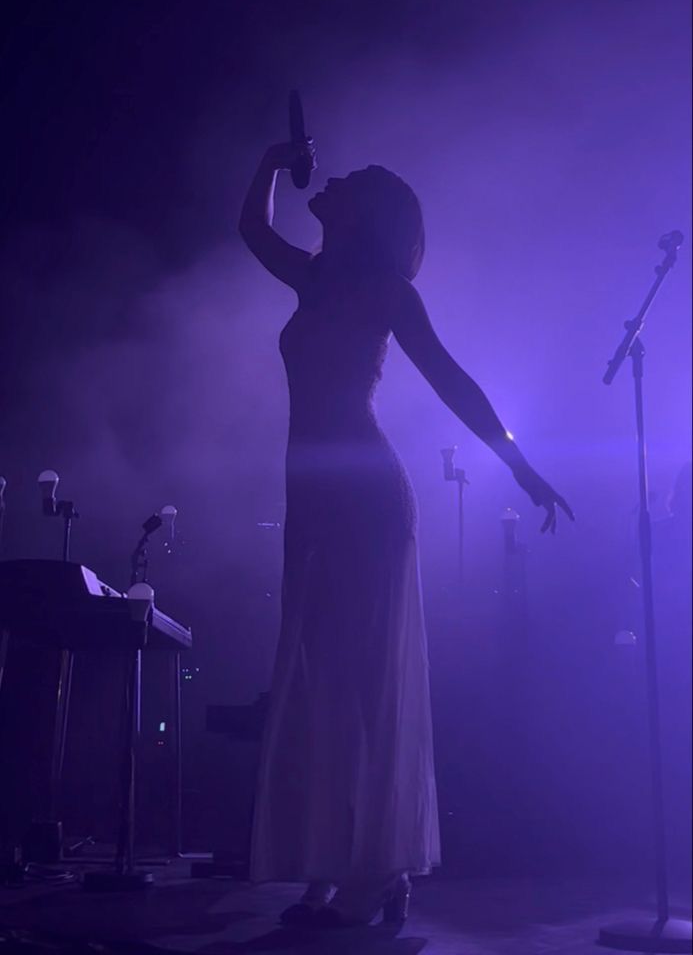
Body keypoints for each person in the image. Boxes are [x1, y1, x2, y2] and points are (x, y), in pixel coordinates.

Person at [239, 141, 573, 928]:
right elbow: (251, 230)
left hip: (363, 496)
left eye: (350, 182)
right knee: (321, 678)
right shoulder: (318, 277)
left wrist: (520, 469)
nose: (335, 180)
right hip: (314, 499)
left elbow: (453, 379)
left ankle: (372, 871)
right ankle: (333, 862)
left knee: (360, 683)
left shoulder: (386, 291)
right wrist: (267, 161)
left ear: (366, 215)